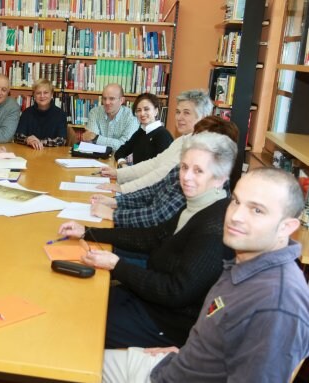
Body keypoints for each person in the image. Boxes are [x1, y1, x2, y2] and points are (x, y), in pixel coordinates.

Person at [103, 167, 309, 383]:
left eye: (257, 210)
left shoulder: (277, 305)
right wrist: (187, 354)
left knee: (76, 353)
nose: (235, 216)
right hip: (172, 364)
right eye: (236, 201)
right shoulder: (248, 264)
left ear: (287, 227)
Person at [59, 132, 237, 349]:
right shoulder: (196, 204)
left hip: (166, 322)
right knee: (73, 301)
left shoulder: (213, 228)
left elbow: (175, 291)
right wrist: (88, 232)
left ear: (220, 178)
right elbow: (152, 236)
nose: (186, 177)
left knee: (74, 326)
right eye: (184, 167)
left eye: (198, 171)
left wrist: (117, 265)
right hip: (148, 300)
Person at [90, 116, 239, 227]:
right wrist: (116, 201)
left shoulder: (200, 186)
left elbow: (157, 216)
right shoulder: (183, 165)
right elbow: (152, 191)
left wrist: (115, 213)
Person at [98, 89, 213, 193]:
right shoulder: (181, 140)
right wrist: (118, 173)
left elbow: (160, 173)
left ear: (203, 117)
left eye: (186, 113)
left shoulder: (199, 147)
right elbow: (154, 163)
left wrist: (123, 188)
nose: (179, 117)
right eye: (178, 112)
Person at [112, 92, 173, 166]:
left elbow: (164, 167)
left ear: (156, 111)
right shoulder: (141, 132)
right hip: (137, 175)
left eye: (146, 109)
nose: (142, 113)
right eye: (138, 110)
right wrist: (123, 163)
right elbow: (121, 151)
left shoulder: (163, 135)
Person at [81, 83, 138, 152]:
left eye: (112, 99)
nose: (107, 102)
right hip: (97, 158)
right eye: (104, 98)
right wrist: (115, 143)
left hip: (122, 160)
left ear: (122, 100)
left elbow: (125, 146)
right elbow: (90, 141)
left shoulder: (132, 116)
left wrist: (96, 138)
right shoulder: (94, 112)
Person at [14, 78, 67, 149]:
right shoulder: (27, 113)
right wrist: (27, 139)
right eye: (38, 93)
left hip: (52, 154)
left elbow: (61, 141)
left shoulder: (60, 114)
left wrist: (39, 142)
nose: (42, 96)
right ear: (34, 96)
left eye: (45, 92)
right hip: (30, 154)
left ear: (52, 94)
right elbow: (17, 136)